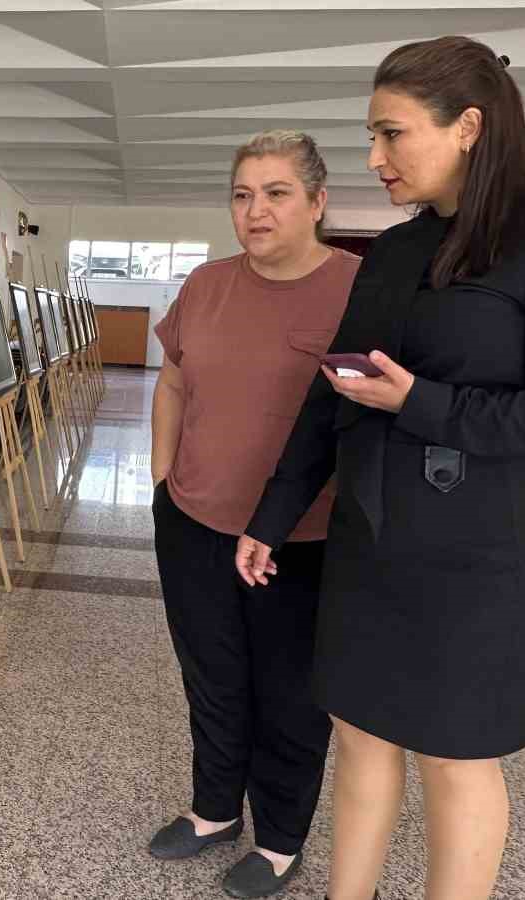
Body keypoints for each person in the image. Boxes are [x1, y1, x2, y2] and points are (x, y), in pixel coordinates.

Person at [235, 36, 525, 900]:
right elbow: (336, 389)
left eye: (392, 134)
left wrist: (425, 404)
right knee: (362, 739)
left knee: (456, 760)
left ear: (469, 127)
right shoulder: (399, 250)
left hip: (483, 553)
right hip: (373, 538)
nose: (374, 158)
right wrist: (273, 513)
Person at [148, 130, 362, 898]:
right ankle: (212, 811)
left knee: (290, 695)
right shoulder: (206, 286)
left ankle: (277, 839)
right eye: (242, 195)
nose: (255, 211)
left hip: (300, 540)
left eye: (276, 193)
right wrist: (162, 475)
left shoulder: (356, 290)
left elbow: (364, 421)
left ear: (317, 201)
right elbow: (172, 381)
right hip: (194, 522)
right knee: (211, 674)